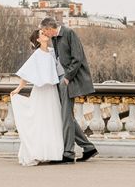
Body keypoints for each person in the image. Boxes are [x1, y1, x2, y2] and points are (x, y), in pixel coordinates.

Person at [40, 17, 97, 163]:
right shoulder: (56, 38)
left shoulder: (69, 33)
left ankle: (68, 153)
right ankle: (88, 147)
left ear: (50, 28)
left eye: (44, 30)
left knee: (66, 116)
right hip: (61, 80)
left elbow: (77, 57)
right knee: (67, 117)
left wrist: (67, 77)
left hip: (68, 80)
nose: (44, 33)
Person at [10, 29, 64, 166]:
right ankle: (39, 152)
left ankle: (53, 153)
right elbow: (26, 75)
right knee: (41, 121)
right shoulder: (36, 55)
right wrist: (18, 89)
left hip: (52, 91)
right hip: (41, 92)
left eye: (46, 33)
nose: (45, 34)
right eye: (42, 34)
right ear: (38, 40)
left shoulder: (53, 52)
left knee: (53, 120)